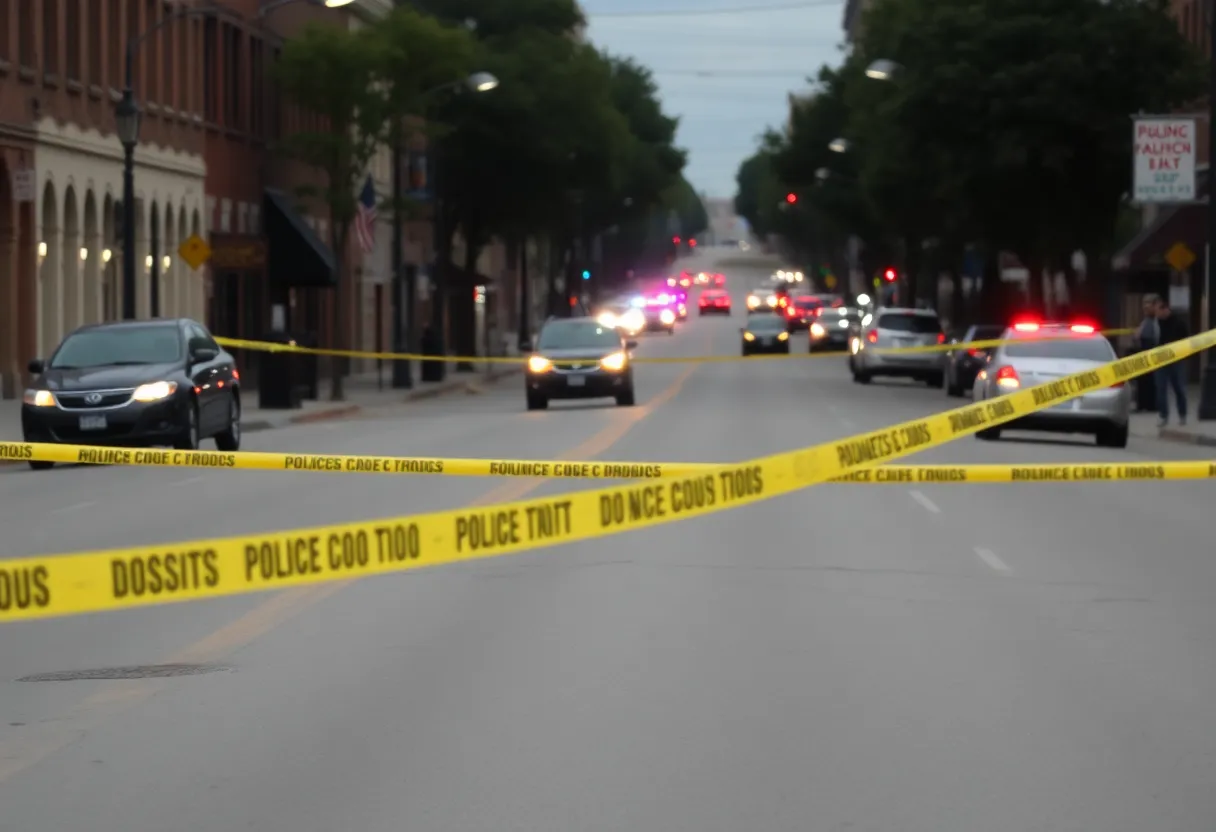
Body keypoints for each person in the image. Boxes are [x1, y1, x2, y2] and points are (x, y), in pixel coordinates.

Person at [1154, 296, 1189, 427]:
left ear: (1165, 309)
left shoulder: (1178, 322)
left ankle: (1182, 414)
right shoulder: (1156, 323)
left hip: (1176, 360)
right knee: (1160, 389)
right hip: (1160, 360)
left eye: (1158, 310)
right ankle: (1163, 415)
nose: (1157, 314)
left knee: (1179, 387)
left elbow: (1186, 339)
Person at [1134, 294, 1160, 413]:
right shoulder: (1145, 321)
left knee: (1153, 381)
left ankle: (1152, 405)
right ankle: (1143, 404)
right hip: (1143, 352)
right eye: (1144, 304)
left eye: (1148, 304)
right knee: (1143, 381)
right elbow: (1138, 336)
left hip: (1153, 353)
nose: (1145, 307)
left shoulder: (1157, 321)